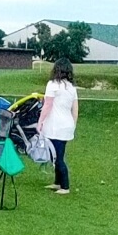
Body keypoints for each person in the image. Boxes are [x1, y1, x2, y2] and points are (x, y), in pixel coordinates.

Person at [40, 59, 79, 195]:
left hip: (55, 126)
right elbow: (75, 109)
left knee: (58, 157)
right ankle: (57, 182)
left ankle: (65, 186)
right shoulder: (71, 87)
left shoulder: (52, 85)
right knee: (56, 154)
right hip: (66, 125)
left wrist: (40, 121)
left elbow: (47, 105)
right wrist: (73, 125)